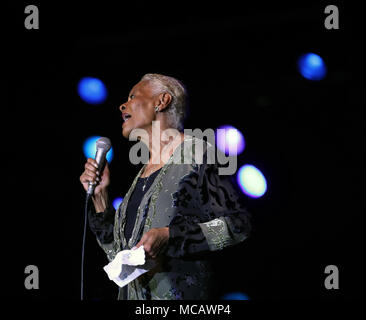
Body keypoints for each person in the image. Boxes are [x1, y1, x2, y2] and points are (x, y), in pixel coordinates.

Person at [80, 73, 251, 300]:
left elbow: (239, 225)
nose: (122, 105)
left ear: (161, 101)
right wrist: (100, 198)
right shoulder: (141, 176)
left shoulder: (197, 154)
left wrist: (171, 236)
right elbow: (118, 256)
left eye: (133, 96)